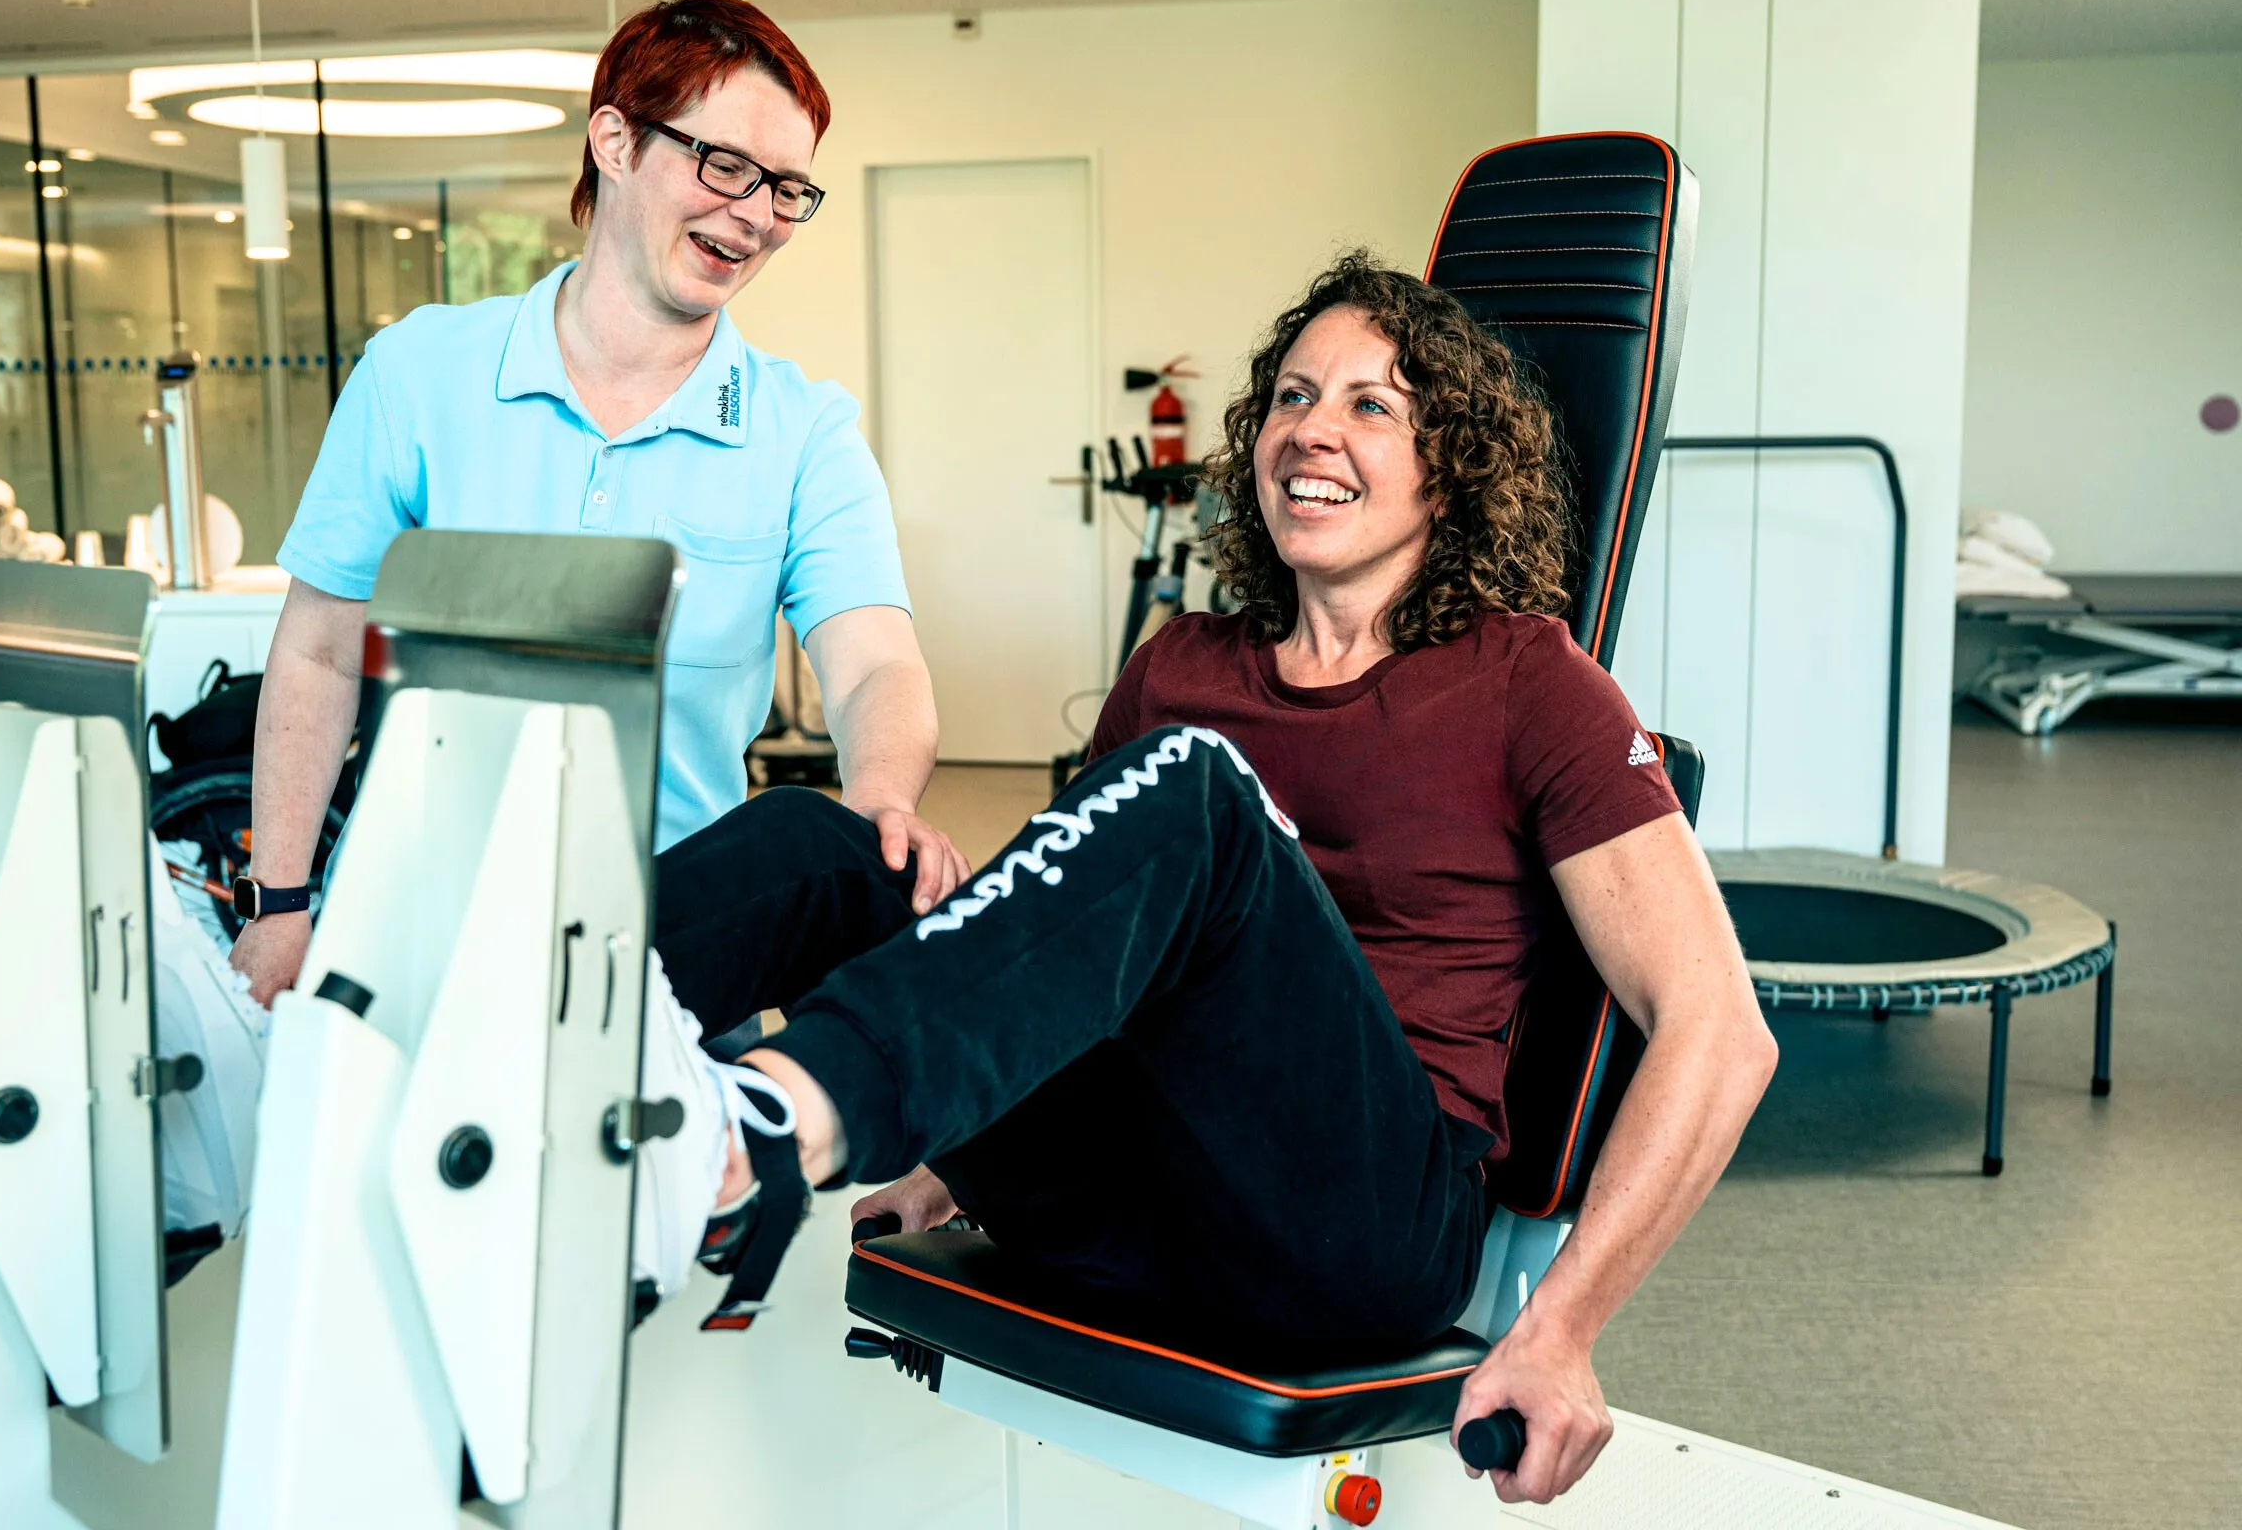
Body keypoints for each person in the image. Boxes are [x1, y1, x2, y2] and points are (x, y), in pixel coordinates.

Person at [632, 254, 1778, 1508]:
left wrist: (1560, 1328)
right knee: (829, 843)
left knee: (1201, 799)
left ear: (1447, 469)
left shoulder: (1527, 681)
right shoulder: (1181, 661)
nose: (1311, 431)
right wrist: (954, 1163)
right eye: (1291, 395)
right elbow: (1049, 931)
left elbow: (1719, 1035)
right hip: (1115, 1189)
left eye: (1369, 405)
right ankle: (526, 1046)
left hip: (1344, 1230)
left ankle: (777, 1124)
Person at [233, 0, 966, 1003]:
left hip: (667, 953)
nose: (755, 215)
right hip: (404, 933)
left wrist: (878, 799)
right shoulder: (418, 372)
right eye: (726, 167)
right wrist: (282, 904)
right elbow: (320, 647)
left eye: (788, 189)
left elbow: (875, 661)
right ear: (614, 141)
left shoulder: (805, 430)